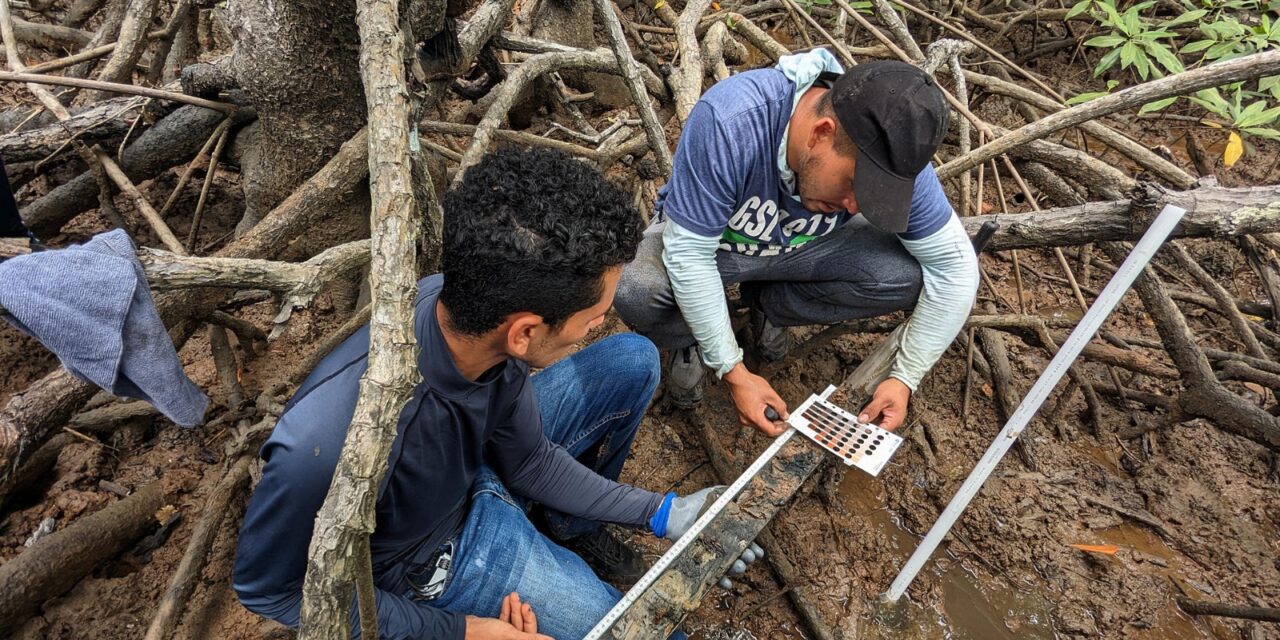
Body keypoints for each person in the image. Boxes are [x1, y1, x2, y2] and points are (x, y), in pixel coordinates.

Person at [233, 147, 758, 640]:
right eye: (594, 317)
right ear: (524, 333)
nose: (601, 322)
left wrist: (665, 513)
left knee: (632, 360)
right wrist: (465, 630)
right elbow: (271, 592)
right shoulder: (323, 444)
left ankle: (570, 526)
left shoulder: (469, 310)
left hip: (477, 465)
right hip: (432, 553)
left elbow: (530, 461)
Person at [614, 50, 980, 435]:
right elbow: (690, 256)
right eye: (855, 185)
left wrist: (905, 377)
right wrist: (733, 370)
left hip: (802, 249)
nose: (856, 206)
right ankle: (687, 336)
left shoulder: (895, 160)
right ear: (821, 133)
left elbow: (955, 269)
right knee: (637, 286)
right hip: (716, 247)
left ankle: (771, 306)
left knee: (906, 276)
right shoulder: (732, 121)